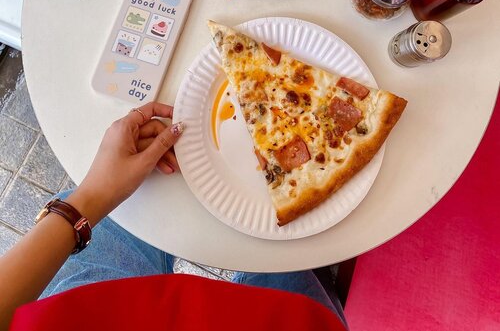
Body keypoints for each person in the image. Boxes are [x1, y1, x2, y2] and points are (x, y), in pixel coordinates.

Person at [0, 102, 347, 331]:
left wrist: (93, 196)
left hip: (84, 314)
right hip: (287, 322)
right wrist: (90, 198)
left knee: (139, 201)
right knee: (287, 235)